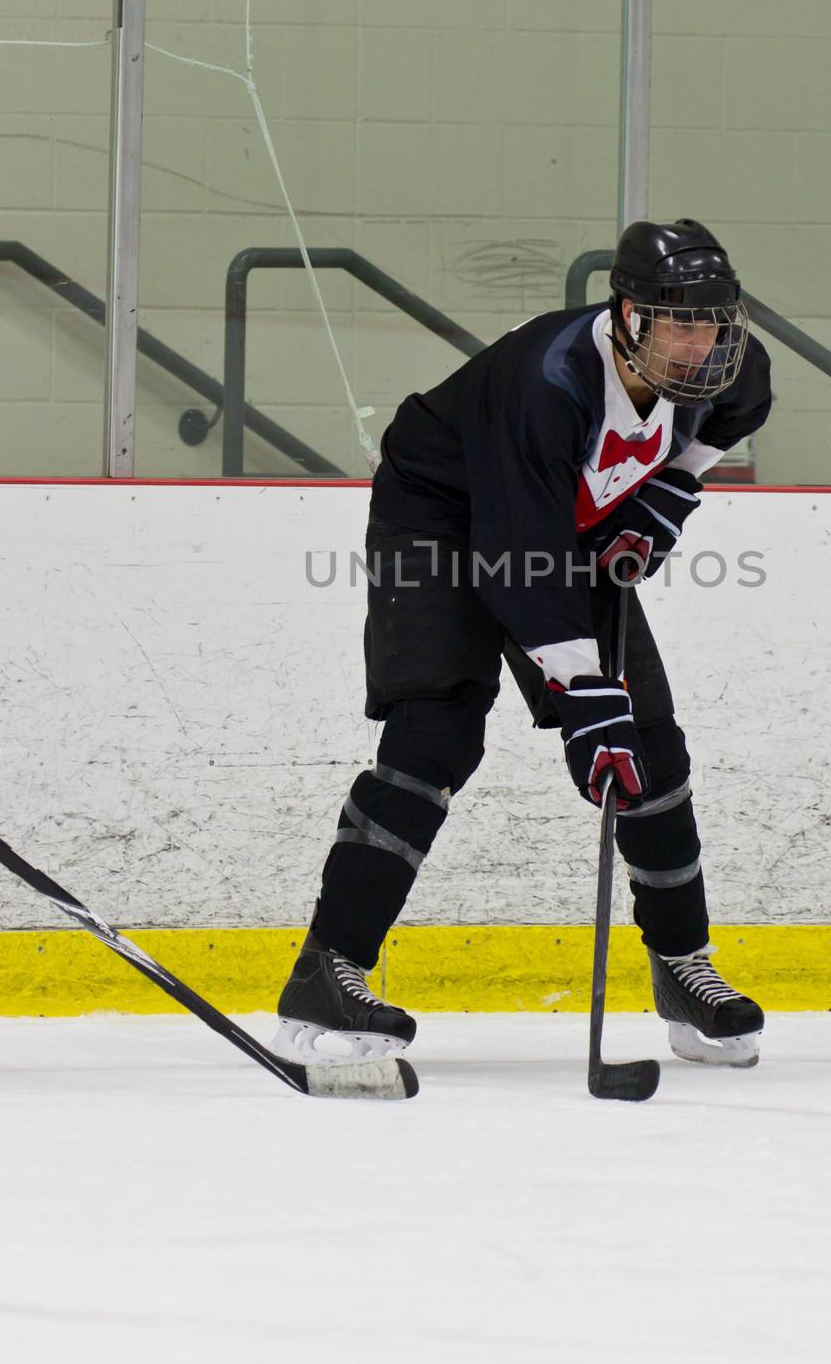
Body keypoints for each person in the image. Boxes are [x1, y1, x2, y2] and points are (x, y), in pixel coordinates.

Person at [275, 218, 773, 1070]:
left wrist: (666, 500)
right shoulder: (549, 383)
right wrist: (582, 696)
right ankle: (327, 970)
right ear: (627, 316)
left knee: (647, 742)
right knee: (438, 729)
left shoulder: (724, 363)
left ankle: (682, 968)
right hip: (441, 516)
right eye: (678, 324)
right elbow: (517, 560)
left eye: (712, 324)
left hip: (555, 517)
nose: (699, 346)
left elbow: (730, 416)